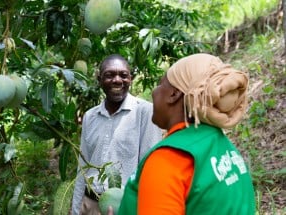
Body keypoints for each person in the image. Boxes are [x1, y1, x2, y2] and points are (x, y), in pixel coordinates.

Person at [117, 53, 256, 214]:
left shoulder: (168, 160)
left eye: (160, 84)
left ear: (173, 94)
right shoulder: (223, 146)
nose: (154, 93)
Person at [71, 54, 163, 215]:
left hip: (124, 207)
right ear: (99, 79)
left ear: (131, 79)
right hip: (89, 205)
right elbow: (83, 166)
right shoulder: (90, 116)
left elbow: (150, 169)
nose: (117, 80)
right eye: (109, 75)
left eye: (123, 75)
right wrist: (75, 209)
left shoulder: (144, 112)